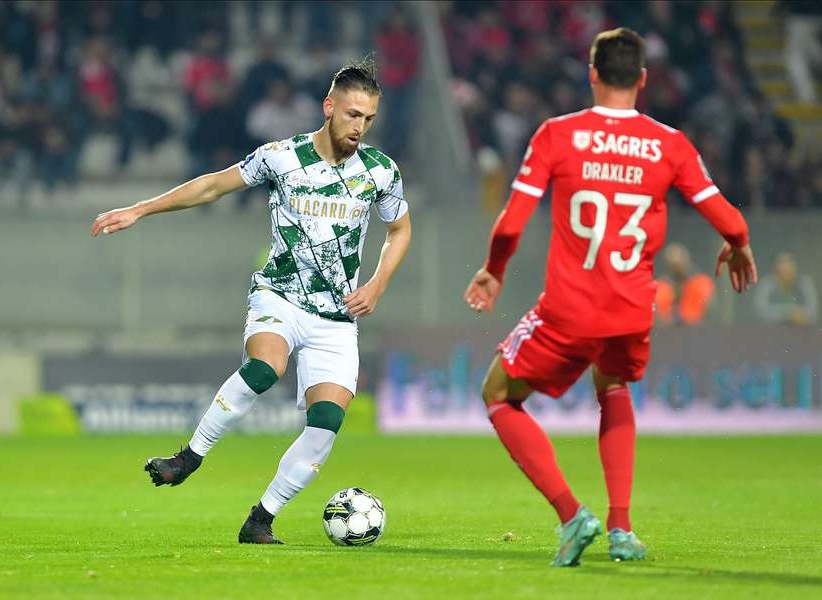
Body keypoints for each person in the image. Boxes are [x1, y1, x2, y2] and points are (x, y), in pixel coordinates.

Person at [463, 28, 757, 567]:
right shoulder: (670, 144)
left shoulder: (558, 135)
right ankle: (621, 529)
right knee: (614, 385)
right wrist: (737, 246)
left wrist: (493, 271)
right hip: (631, 310)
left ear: (592, 74)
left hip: (570, 308)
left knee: (499, 394)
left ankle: (573, 516)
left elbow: (510, 225)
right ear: (643, 79)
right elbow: (730, 219)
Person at [90, 58, 411, 544]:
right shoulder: (282, 156)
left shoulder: (380, 171)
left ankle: (260, 520)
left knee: (324, 428)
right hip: (279, 295)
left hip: (337, 317)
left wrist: (378, 284)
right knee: (266, 368)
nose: (359, 128)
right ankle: (189, 457)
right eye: (351, 115)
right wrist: (141, 208)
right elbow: (214, 184)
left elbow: (400, 229)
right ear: (329, 107)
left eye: (368, 119)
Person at [655, 243, 714, 325]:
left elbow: (705, 311)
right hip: (668, 332)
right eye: (673, 265)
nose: (677, 268)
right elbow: (659, 315)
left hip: (696, 331)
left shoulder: (701, 283)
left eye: (679, 264)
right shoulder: (661, 287)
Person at [755, 252, 818, 326]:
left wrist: (801, 315)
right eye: (782, 272)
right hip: (772, 332)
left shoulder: (804, 284)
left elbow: (813, 310)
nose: (786, 276)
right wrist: (788, 314)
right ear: (775, 272)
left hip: (800, 331)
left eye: (789, 272)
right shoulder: (767, 286)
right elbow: (760, 311)